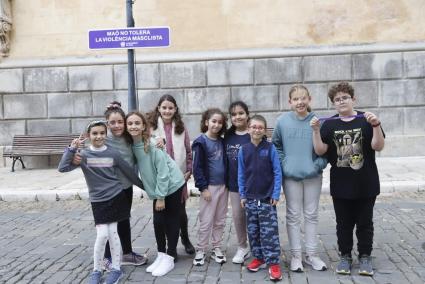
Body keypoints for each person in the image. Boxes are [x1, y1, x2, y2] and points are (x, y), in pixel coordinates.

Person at [310, 81, 385, 276]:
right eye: (337, 99)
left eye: (345, 98)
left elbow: (378, 146)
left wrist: (376, 125)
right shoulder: (330, 124)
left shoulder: (367, 120)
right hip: (341, 183)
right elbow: (320, 151)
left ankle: (365, 256)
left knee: (365, 223)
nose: (341, 101)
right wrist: (316, 131)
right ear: (333, 103)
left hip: (366, 182)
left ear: (353, 99)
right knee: (343, 223)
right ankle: (345, 256)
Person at [58, 120, 145, 284]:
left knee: (113, 234)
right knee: (102, 235)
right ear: (88, 136)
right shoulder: (83, 155)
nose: (99, 136)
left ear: (106, 134)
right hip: (98, 201)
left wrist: (147, 188)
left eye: (102, 133)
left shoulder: (113, 153)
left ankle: (116, 269)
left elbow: (129, 172)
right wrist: (71, 149)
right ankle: (96, 270)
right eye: (95, 133)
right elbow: (62, 168)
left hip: (116, 197)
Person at [73, 101, 147, 270]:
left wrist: (160, 141)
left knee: (124, 219)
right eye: (112, 123)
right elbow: (93, 141)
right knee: (110, 223)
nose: (117, 126)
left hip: (127, 185)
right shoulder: (106, 139)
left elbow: (145, 136)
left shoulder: (128, 137)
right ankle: (107, 257)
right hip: (112, 188)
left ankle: (126, 253)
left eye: (120, 122)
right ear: (107, 124)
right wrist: (74, 152)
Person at [272, 85, 328, 272]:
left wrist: (318, 165)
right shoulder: (282, 121)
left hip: (312, 175)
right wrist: (285, 163)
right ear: (290, 102)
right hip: (291, 176)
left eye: (303, 98)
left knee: (311, 214)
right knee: (293, 215)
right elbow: (277, 145)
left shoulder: (317, 121)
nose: (300, 102)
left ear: (309, 99)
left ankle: (311, 254)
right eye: (296, 99)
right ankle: (296, 255)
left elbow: (326, 148)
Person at [126, 111, 186, 277]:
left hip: (172, 185)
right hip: (160, 188)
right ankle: (161, 254)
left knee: (171, 221)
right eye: (130, 123)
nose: (133, 126)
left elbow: (163, 172)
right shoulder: (132, 145)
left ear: (144, 126)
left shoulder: (152, 145)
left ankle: (170, 256)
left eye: (137, 123)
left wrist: (160, 197)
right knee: (158, 222)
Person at [147, 94, 195, 255]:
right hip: (159, 177)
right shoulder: (151, 128)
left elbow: (188, 151)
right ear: (159, 109)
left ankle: (185, 238)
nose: (167, 111)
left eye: (170, 108)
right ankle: (167, 246)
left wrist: (189, 169)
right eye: (164, 107)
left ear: (175, 109)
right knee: (162, 212)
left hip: (178, 177)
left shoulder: (181, 127)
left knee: (180, 211)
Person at [238, 115, 283, 281]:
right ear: (248, 128)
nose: (257, 130)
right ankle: (259, 257)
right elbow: (241, 174)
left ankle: (273, 263)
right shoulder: (244, 150)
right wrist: (243, 195)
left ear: (264, 130)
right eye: (254, 127)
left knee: (269, 233)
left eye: (260, 127)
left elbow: (278, 172)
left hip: (266, 199)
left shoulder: (270, 148)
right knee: (254, 231)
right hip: (250, 199)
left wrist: (276, 193)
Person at [191, 108, 228, 266]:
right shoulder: (201, 142)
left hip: (223, 187)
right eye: (214, 121)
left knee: (220, 220)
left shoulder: (222, 141)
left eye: (220, 122)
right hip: (209, 188)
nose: (217, 125)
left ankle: (216, 247)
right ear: (206, 122)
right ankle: (201, 249)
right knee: (206, 220)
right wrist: (203, 188)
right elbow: (197, 167)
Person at [224, 101, 251, 264]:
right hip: (234, 184)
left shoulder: (254, 132)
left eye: (241, 113)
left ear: (247, 114)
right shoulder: (228, 136)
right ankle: (242, 246)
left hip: (255, 184)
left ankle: (259, 245)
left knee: (256, 216)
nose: (237, 117)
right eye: (234, 114)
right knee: (238, 216)